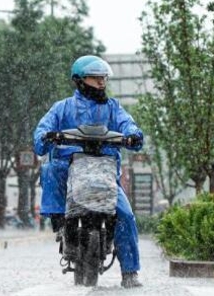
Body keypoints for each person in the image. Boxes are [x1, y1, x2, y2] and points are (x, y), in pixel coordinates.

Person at [33, 55, 144, 288]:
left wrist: (133, 135)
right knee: (51, 168)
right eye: (95, 78)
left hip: (105, 171)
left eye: (103, 78)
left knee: (125, 215)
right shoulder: (62, 108)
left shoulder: (114, 108)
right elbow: (42, 131)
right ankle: (60, 222)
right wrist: (45, 135)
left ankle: (130, 272)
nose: (102, 82)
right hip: (68, 167)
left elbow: (128, 125)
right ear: (80, 81)